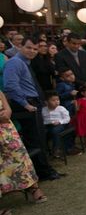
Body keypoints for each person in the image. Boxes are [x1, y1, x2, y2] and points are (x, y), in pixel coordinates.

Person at [3, 36, 61, 181]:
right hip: (26, 106)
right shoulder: (15, 62)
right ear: (20, 46)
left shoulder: (25, 62)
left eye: (35, 49)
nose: (32, 51)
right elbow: (10, 86)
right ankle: (43, 173)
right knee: (35, 140)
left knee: (39, 139)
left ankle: (44, 171)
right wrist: (25, 104)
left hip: (32, 103)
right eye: (29, 47)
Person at [0, 90, 48, 215]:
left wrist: (6, 113)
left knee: (19, 158)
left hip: (6, 130)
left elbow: (8, 109)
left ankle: (34, 189)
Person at [42, 90, 77, 157]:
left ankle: (56, 149)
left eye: (57, 100)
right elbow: (42, 120)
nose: (56, 102)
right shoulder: (43, 110)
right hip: (47, 125)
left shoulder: (61, 108)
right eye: (53, 100)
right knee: (42, 132)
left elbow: (67, 119)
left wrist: (60, 122)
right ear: (46, 102)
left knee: (55, 131)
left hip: (60, 125)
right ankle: (45, 150)